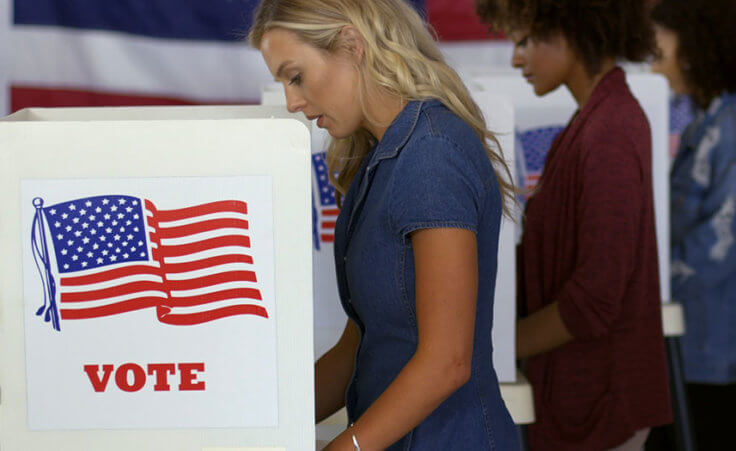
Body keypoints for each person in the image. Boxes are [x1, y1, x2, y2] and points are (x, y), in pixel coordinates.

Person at [249, 1, 520, 449]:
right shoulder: (384, 157)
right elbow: (358, 345)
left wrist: (346, 447)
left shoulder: (431, 153)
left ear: (351, 45)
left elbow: (447, 361)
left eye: (295, 76)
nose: (292, 102)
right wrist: (256, 426)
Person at [475, 1, 672, 450]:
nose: (515, 59)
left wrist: (493, 352)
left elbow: (594, 300)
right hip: (585, 395)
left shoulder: (610, 131)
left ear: (571, 29)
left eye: (525, 41)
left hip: (602, 402)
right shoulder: (593, 123)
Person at [650, 1, 736, 449]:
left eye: (660, 40)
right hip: (697, 340)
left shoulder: (730, 126)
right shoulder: (706, 123)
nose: (653, 53)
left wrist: (649, 284)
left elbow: (722, 242)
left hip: (716, 348)